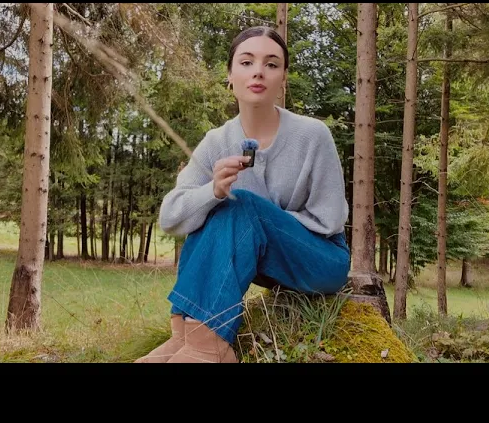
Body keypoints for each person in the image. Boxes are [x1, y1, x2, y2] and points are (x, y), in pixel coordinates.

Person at [134, 25, 350, 363]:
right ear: (230, 75)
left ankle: (209, 349)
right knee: (212, 209)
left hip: (321, 260)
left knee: (241, 207)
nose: (258, 72)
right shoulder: (216, 142)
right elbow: (171, 218)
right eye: (247, 62)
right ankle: (185, 338)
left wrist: (258, 220)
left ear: (283, 78)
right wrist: (213, 191)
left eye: (271, 64)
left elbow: (331, 219)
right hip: (264, 264)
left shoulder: (313, 135)